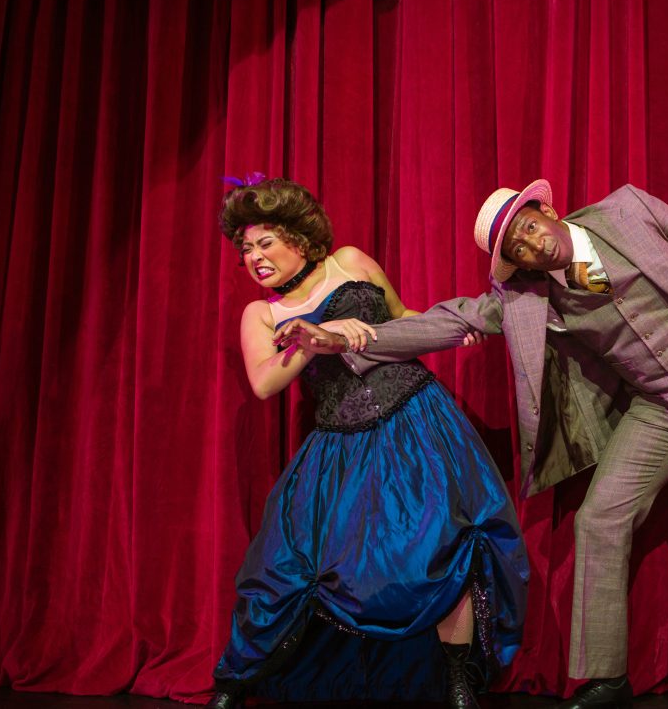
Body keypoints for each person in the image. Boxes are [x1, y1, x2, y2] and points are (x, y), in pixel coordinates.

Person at [278, 178, 668, 709]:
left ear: (547, 211)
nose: (531, 246)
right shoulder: (528, 296)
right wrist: (339, 338)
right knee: (598, 518)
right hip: (659, 407)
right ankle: (607, 676)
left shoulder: (627, 210)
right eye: (517, 249)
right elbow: (450, 322)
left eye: (528, 227)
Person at [206, 176, 528, 709]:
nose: (254, 258)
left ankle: (457, 681)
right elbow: (264, 383)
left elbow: (403, 319)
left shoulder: (351, 262)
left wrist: (454, 328)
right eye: (245, 249)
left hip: (419, 423)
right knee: (288, 561)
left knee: (449, 540)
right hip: (338, 443)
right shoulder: (261, 314)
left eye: (265, 243)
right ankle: (234, 684)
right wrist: (313, 340)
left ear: (299, 239)